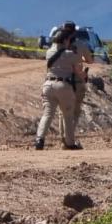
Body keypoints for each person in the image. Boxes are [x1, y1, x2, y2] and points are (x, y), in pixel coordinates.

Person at [35, 21, 85, 150]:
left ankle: (39, 139)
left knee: (47, 114)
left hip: (48, 85)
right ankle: (69, 143)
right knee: (67, 115)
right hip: (63, 85)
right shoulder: (69, 54)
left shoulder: (49, 53)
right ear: (66, 40)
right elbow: (77, 68)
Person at [60, 25, 94, 143]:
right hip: (77, 80)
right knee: (75, 110)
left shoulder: (60, 45)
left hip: (63, 79)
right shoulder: (81, 45)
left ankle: (63, 137)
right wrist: (81, 59)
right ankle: (69, 137)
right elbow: (90, 60)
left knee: (63, 111)